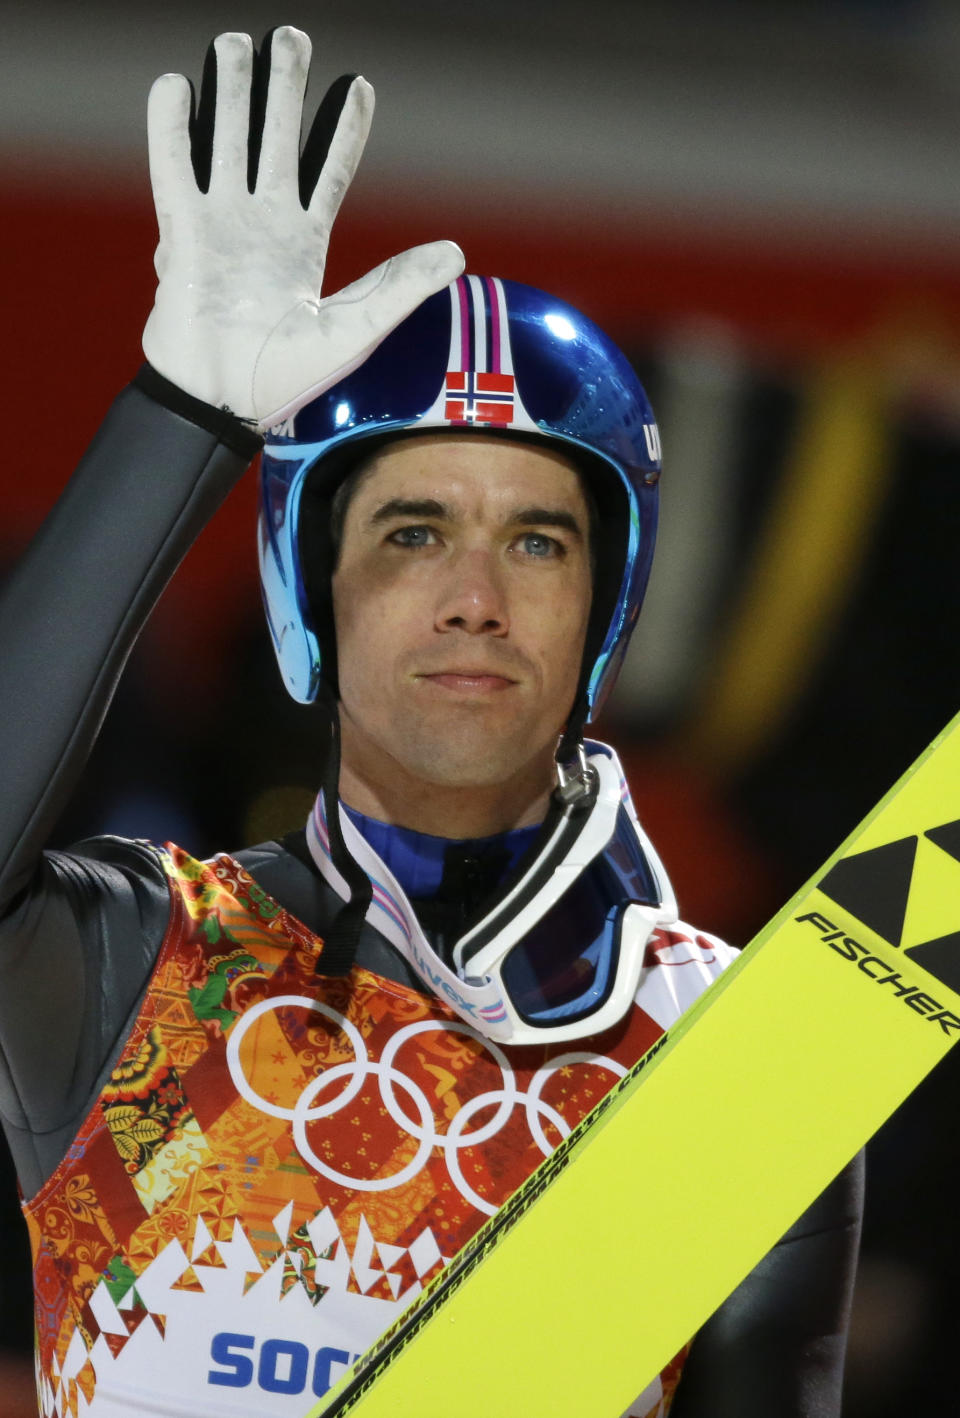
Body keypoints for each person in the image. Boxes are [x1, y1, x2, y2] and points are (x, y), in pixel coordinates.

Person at [0, 26, 862, 1418]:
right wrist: (184, 413)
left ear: (606, 607)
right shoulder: (132, 966)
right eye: (411, 532)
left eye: (537, 542)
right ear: (309, 591)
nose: (474, 596)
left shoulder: (737, 1047)